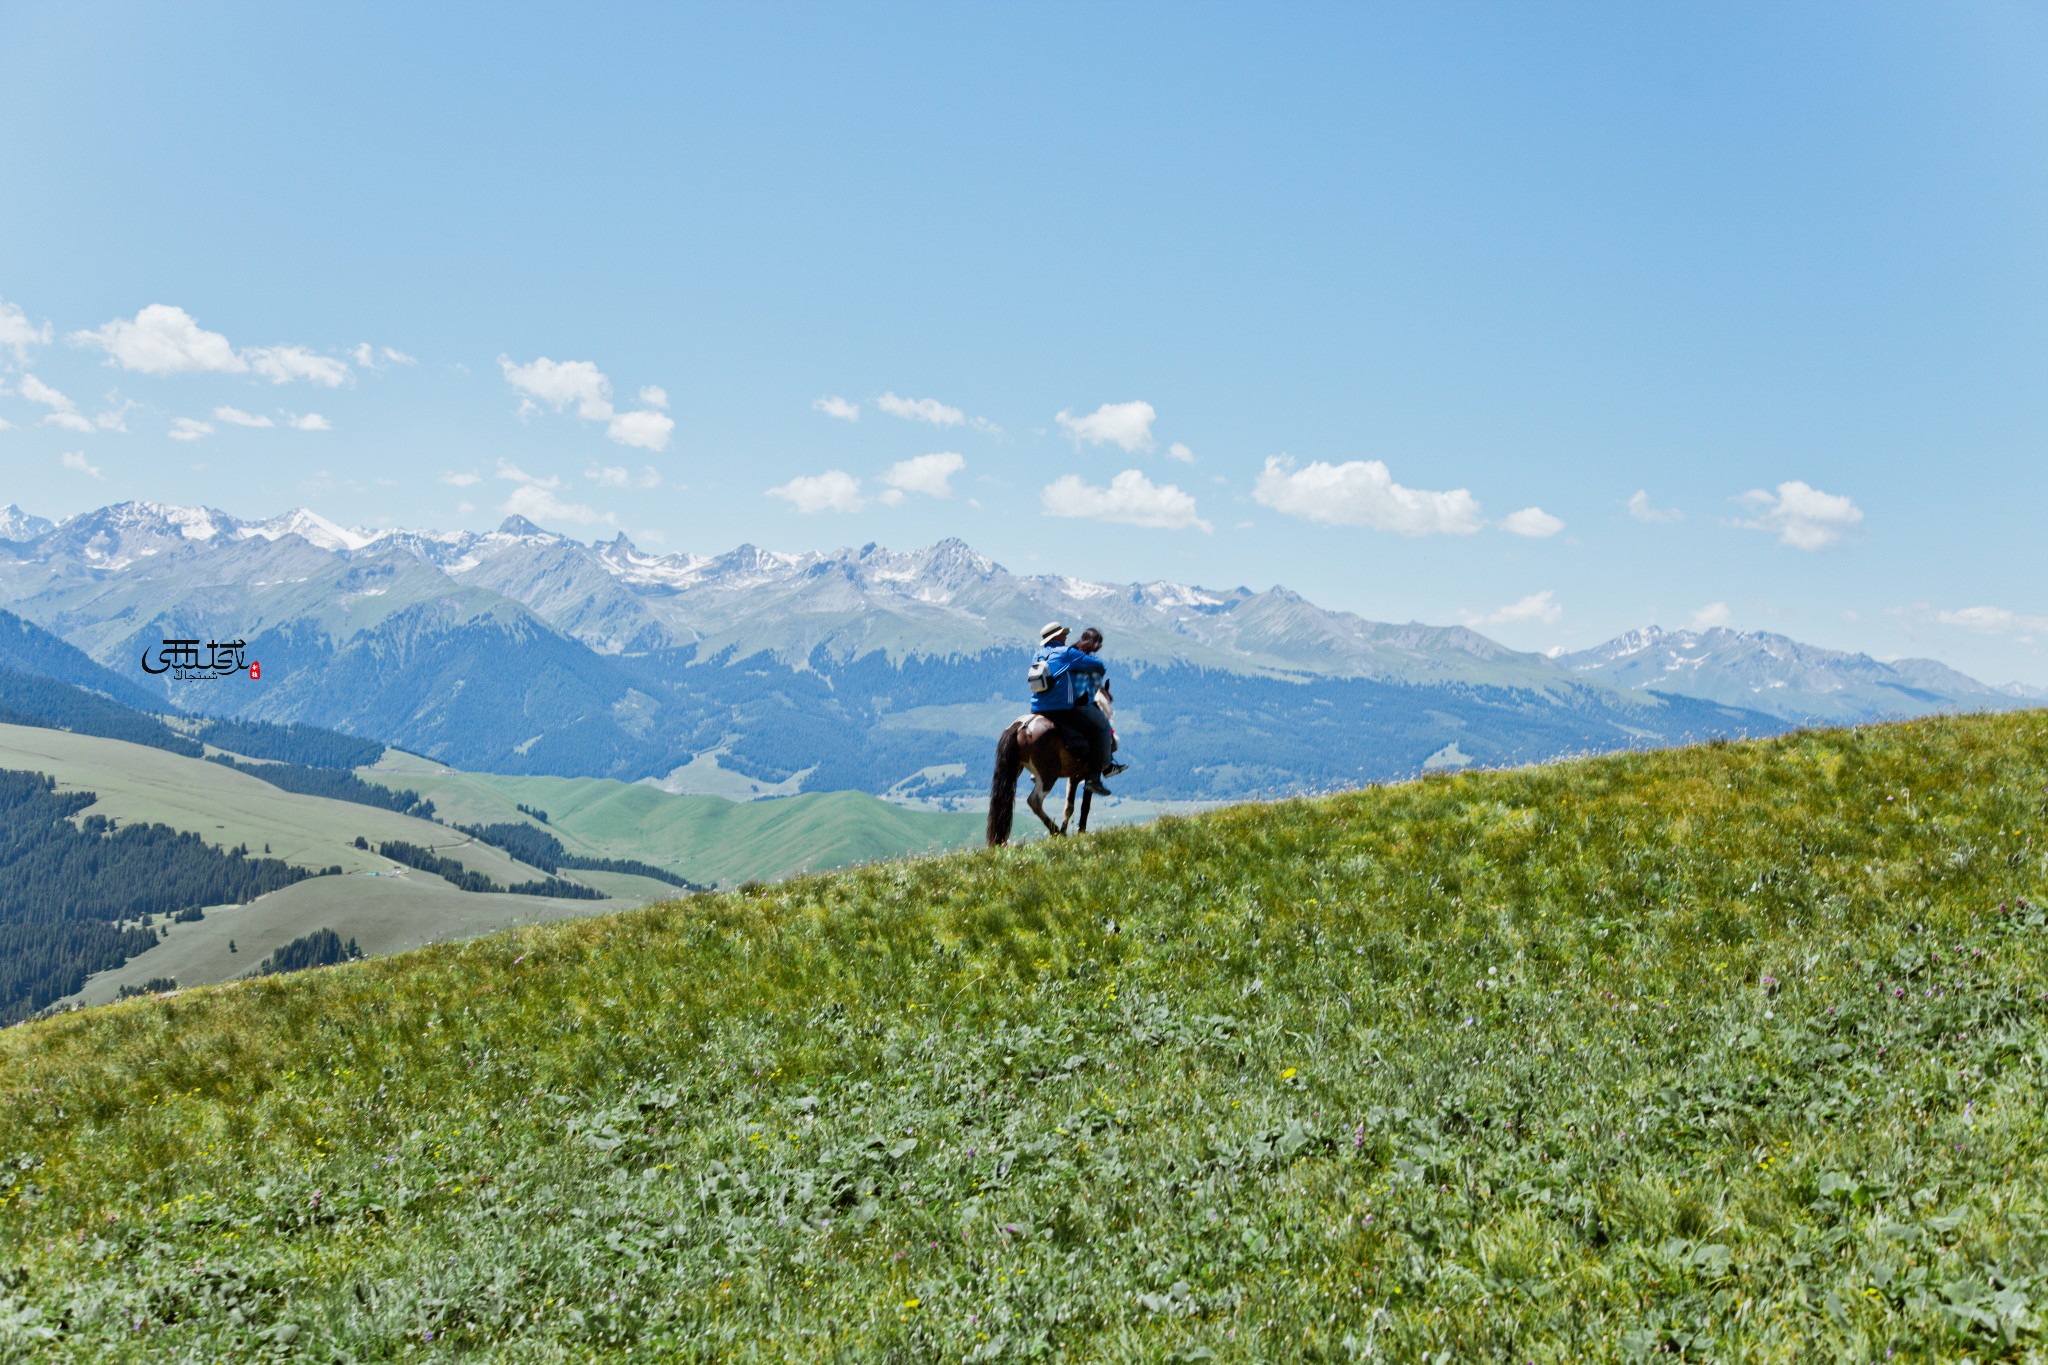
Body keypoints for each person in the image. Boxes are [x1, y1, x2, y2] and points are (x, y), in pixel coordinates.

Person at [1029, 621, 1115, 796]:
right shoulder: (1067, 653)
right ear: (1058, 637)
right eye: (1063, 634)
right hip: (1061, 708)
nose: (1066, 636)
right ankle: (1094, 779)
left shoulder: (1037, 656)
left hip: (1038, 708)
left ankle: (1034, 767)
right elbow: (1098, 666)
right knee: (1099, 730)